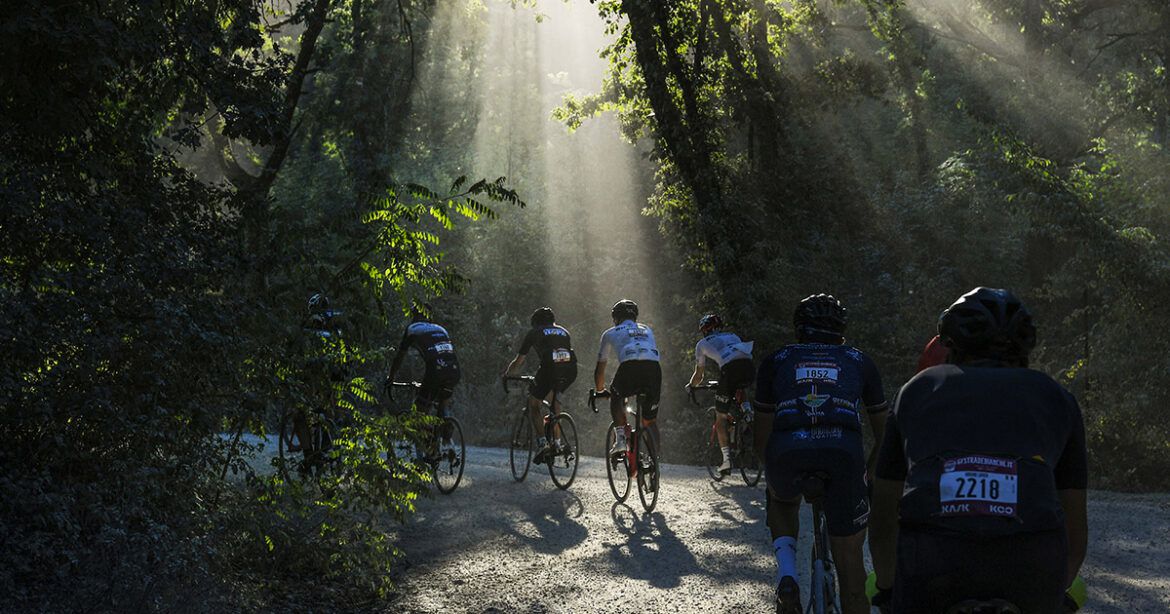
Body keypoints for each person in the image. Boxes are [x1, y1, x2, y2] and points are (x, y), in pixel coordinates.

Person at [869, 287, 1088, 613]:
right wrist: (1056, 591)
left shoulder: (918, 389)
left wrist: (887, 588)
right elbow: (1074, 523)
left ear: (951, 343)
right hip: (1032, 565)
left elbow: (885, 509)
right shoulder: (1056, 397)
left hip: (932, 561)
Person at [752, 294, 888, 614]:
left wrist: (773, 475)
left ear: (798, 329)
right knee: (852, 574)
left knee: (782, 499)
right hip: (843, 456)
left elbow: (762, 439)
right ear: (842, 331)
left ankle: (788, 575)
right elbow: (884, 433)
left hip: (787, 452)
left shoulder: (777, 359)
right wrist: (867, 474)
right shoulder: (858, 360)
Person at [502, 306, 578, 464]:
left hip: (549, 368)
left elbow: (519, 360)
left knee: (534, 404)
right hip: (570, 370)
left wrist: (507, 374)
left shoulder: (534, 332)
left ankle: (543, 443)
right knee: (555, 401)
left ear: (535, 323)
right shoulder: (564, 331)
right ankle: (557, 443)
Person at [687, 313, 755, 475]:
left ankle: (726, 461)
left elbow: (699, 375)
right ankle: (747, 412)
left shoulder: (702, 343)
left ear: (704, 330)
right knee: (739, 387)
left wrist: (691, 386)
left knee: (720, 418)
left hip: (730, 371)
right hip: (749, 367)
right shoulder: (733, 336)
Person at [594, 299, 662, 459]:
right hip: (654, 369)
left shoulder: (610, 333)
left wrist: (599, 390)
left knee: (616, 395)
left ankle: (621, 440)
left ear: (616, 318)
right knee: (650, 421)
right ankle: (654, 464)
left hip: (630, 367)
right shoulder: (647, 329)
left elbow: (600, 370)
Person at [387, 304, 462, 438]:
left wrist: (391, 378)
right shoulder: (441, 329)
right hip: (454, 369)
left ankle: (431, 441)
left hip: (435, 371)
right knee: (443, 400)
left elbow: (399, 357)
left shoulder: (412, 329)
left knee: (419, 413)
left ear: (414, 316)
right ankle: (445, 427)